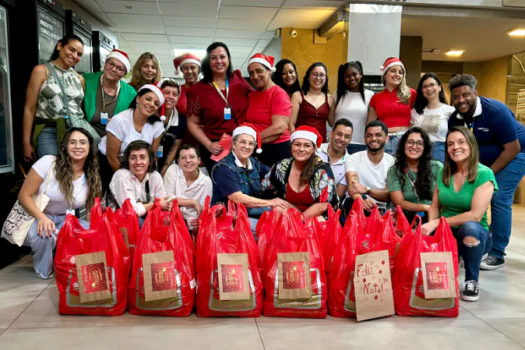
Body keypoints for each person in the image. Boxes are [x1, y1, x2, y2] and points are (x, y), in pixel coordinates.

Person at [448, 74, 525, 270]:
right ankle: (476, 242)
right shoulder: (454, 118)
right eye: (456, 96)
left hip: (516, 154)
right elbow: (458, 147)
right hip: (484, 159)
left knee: (498, 198)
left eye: (466, 95)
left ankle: (497, 253)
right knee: (470, 195)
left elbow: (512, 147)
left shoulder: (496, 111)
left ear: (476, 93)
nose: (461, 100)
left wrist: (487, 175)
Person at [422, 126, 497, 302]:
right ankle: (455, 259)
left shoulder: (484, 173)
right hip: (448, 232)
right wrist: (434, 230)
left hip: (476, 232)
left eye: (461, 142)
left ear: (471, 145)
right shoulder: (444, 172)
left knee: (469, 230)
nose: (455, 147)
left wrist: (436, 224)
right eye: (450, 144)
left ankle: (471, 280)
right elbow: (434, 206)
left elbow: (475, 215)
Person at [18, 127, 101, 279]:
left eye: (83, 142)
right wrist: (42, 218)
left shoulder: (91, 173)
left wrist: (95, 231)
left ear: (90, 147)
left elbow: (91, 209)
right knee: (45, 234)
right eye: (73, 142)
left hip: (64, 219)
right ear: (65, 146)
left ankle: (67, 264)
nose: (78, 146)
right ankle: (44, 271)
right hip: (37, 216)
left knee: (89, 231)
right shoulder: (48, 162)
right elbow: (24, 195)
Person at [22, 34, 94, 161]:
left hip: (74, 133)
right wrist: (26, 143)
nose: (75, 56)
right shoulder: (41, 71)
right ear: (59, 46)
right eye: (71, 49)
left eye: (79, 54)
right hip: (49, 131)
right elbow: (29, 108)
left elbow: (79, 110)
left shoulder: (79, 79)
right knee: (51, 172)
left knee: (72, 172)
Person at [187, 42, 253, 172]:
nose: (219, 61)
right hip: (217, 147)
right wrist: (209, 145)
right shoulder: (197, 90)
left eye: (222, 57)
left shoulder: (239, 80)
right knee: (223, 185)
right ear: (208, 61)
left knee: (243, 184)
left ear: (228, 59)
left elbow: (257, 100)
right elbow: (192, 123)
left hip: (242, 144)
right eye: (213, 58)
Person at [211, 123, 290, 231]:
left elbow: (274, 174)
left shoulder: (254, 162)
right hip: (229, 216)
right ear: (233, 145)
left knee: (283, 212)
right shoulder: (223, 167)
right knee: (269, 228)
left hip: (248, 209)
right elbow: (237, 198)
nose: (247, 147)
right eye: (243, 142)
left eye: (251, 144)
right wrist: (271, 202)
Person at [98, 84, 165, 195]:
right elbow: (112, 157)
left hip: (138, 165)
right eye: (148, 99)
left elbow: (150, 156)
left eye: (156, 103)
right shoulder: (119, 120)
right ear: (138, 99)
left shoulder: (158, 125)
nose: (151, 104)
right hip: (110, 163)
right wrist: (128, 181)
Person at [262, 126, 338, 220]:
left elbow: (324, 204)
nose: (301, 149)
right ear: (291, 146)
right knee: (277, 210)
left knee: (319, 222)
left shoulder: (322, 170)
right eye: (297, 144)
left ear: (314, 149)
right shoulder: (281, 167)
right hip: (292, 215)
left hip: (316, 217)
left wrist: (300, 220)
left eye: (307, 145)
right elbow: (264, 191)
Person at [246, 53, 292, 167]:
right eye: (251, 73)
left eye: (259, 71)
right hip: (258, 148)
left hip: (278, 150)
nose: (255, 76)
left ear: (269, 71)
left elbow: (279, 127)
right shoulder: (252, 95)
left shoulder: (278, 93)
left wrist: (251, 139)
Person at [387, 127, 442, 223]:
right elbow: (399, 202)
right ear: (403, 145)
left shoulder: (436, 167)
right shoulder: (394, 171)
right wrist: (424, 207)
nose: (414, 146)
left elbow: (444, 196)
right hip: (408, 216)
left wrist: (432, 211)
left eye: (419, 143)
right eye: (410, 142)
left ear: (425, 147)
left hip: (436, 215)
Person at [107, 140, 171, 221]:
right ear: (127, 160)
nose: (138, 162)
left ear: (150, 160)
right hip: (117, 221)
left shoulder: (155, 176)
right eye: (133, 158)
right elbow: (130, 211)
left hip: (146, 218)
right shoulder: (121, 176)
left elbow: (163, 201)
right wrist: (156, 204)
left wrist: (166, 205)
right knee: (139, 222)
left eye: (142, 157)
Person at [367, 57, 417, 155]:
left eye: (400, 72)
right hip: (383, 139)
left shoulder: (412, 94)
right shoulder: (376, 98)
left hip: (405, 139)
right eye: (393, 71)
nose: (397, 74)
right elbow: (370, 124)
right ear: (385, 74)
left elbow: (419, 118)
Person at [344, 121, 395, 215]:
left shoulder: (393, 163)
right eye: (369, 135)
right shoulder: (353, 159)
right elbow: (352, 187)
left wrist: (367, 190)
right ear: (364, 139)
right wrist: (362, 200)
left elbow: (389, 195)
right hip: (356, 204)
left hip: (382, 209)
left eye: (378, 135)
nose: (373, 139)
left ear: (387, 138)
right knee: (352, 203)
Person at [83, 49, 137, 138]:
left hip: (114, 141)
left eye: (120, 69)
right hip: (85, 138)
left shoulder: (131, 94)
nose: (113, 69)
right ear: (105, 63)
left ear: (124, 74)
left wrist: (118, 123)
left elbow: (133, 123)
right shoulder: (86, 80)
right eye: (111, 64)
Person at [328, 61, 374, 154]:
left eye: (354, 74)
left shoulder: (370, 95)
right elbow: (331, 120)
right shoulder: (338, 94)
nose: (351, 78)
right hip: (338, 144)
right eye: (347, 76)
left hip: (360, 144)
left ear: (360, 74)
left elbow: (371, 123)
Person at [164, 144, 212, 231]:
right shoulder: (173, 170)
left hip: (192, 226)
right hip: (171, 222)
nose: (188, 161)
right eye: (183, 158)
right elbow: (167, 198)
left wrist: (200, 221)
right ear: (178, 162)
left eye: (192, 157)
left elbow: (204, 210)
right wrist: (193, 203)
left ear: (199, 160)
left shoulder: (206, 182)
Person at [411, 72, 455, 163]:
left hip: (441, 153)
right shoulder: (415, 112)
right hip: (418, 152)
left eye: (432, 85)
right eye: (425, 86)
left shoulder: (450, 111)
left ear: (439, 87)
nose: (429, 88)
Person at [289, 62, 334, 143]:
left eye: (321, 75)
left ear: (326, 78)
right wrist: (295, 141)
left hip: (321, 145)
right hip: (301, 144)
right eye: (314, 74)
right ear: (308, 77)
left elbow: (333, 123)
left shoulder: (330, 99)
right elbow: (291, 123)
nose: (318, 78)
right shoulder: (297, 96)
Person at [316, 119, 353, 200]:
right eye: (339, 134)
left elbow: (337, 196)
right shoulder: (316, 150)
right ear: (331, 134)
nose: (342, 139)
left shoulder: (350, 162)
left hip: (328, 204)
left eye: (346, 137)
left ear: (350, 140)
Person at [157, 79, 186, 175]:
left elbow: (174, 148)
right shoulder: (149, 115)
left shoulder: (181, 121)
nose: (170, 97)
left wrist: (163, 171)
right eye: (166, 93)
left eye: (174, 94)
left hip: (166, 162)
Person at [173, 53, 201, 118]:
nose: (189, 71)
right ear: (182, 71)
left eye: (193, 67)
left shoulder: (207, 90)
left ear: (199, 70)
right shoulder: (177, 91)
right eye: (185, 68)